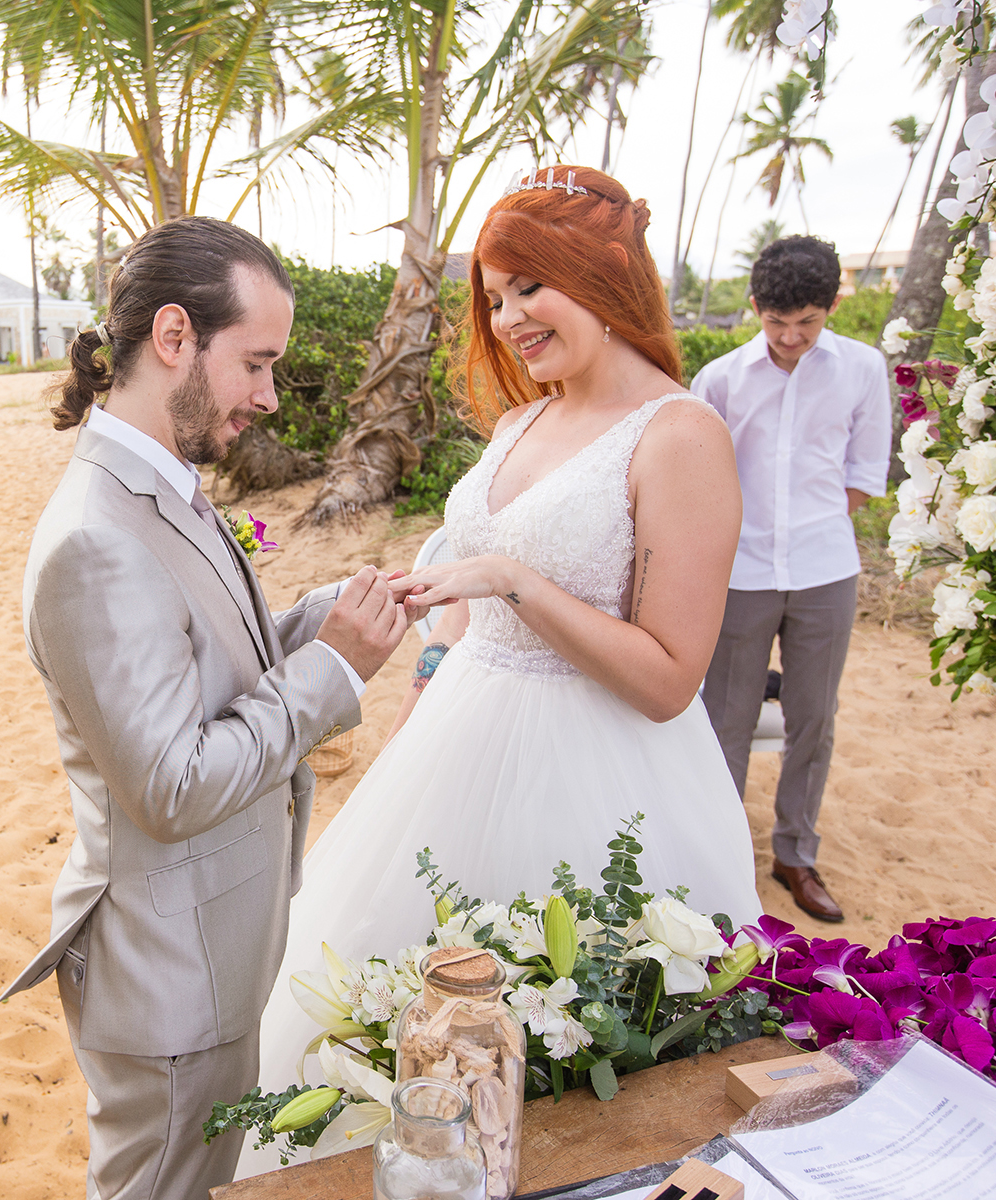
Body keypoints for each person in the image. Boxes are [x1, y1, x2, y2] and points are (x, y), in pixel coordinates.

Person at [241, 168, 763, 1172]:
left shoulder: (682, 435)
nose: (509, 317)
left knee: (570, 1063)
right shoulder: (523, 421)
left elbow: (668, 680)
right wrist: (430, 666)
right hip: (455, 746)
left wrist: (516, 584)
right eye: (493, 297)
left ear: (605, 277)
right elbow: (467, 576)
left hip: (603, 778)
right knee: (400, 1033)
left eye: (530, 286)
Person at [0, 216, 408, 1200]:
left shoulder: (160, 482)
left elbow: (218, 658)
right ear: (175, 337)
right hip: (168, 982)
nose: (269, 395)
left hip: (207, 950)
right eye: (256, 363)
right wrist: (334, 671)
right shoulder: (95, 537)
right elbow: (172, 785)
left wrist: (337, 615)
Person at [693, 236, 890, 923]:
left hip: (825, 569)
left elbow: (863, 474)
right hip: (740, 573)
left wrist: (808, 526)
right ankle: (719, 858)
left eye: (807, 321)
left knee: (814, 718)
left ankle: (795, 855)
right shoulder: (719, 379)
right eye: (777, 321)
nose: (790, 336)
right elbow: (697, 477)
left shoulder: (863, 369)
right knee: (727, 719)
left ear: (832, 305)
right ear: (756, 307)